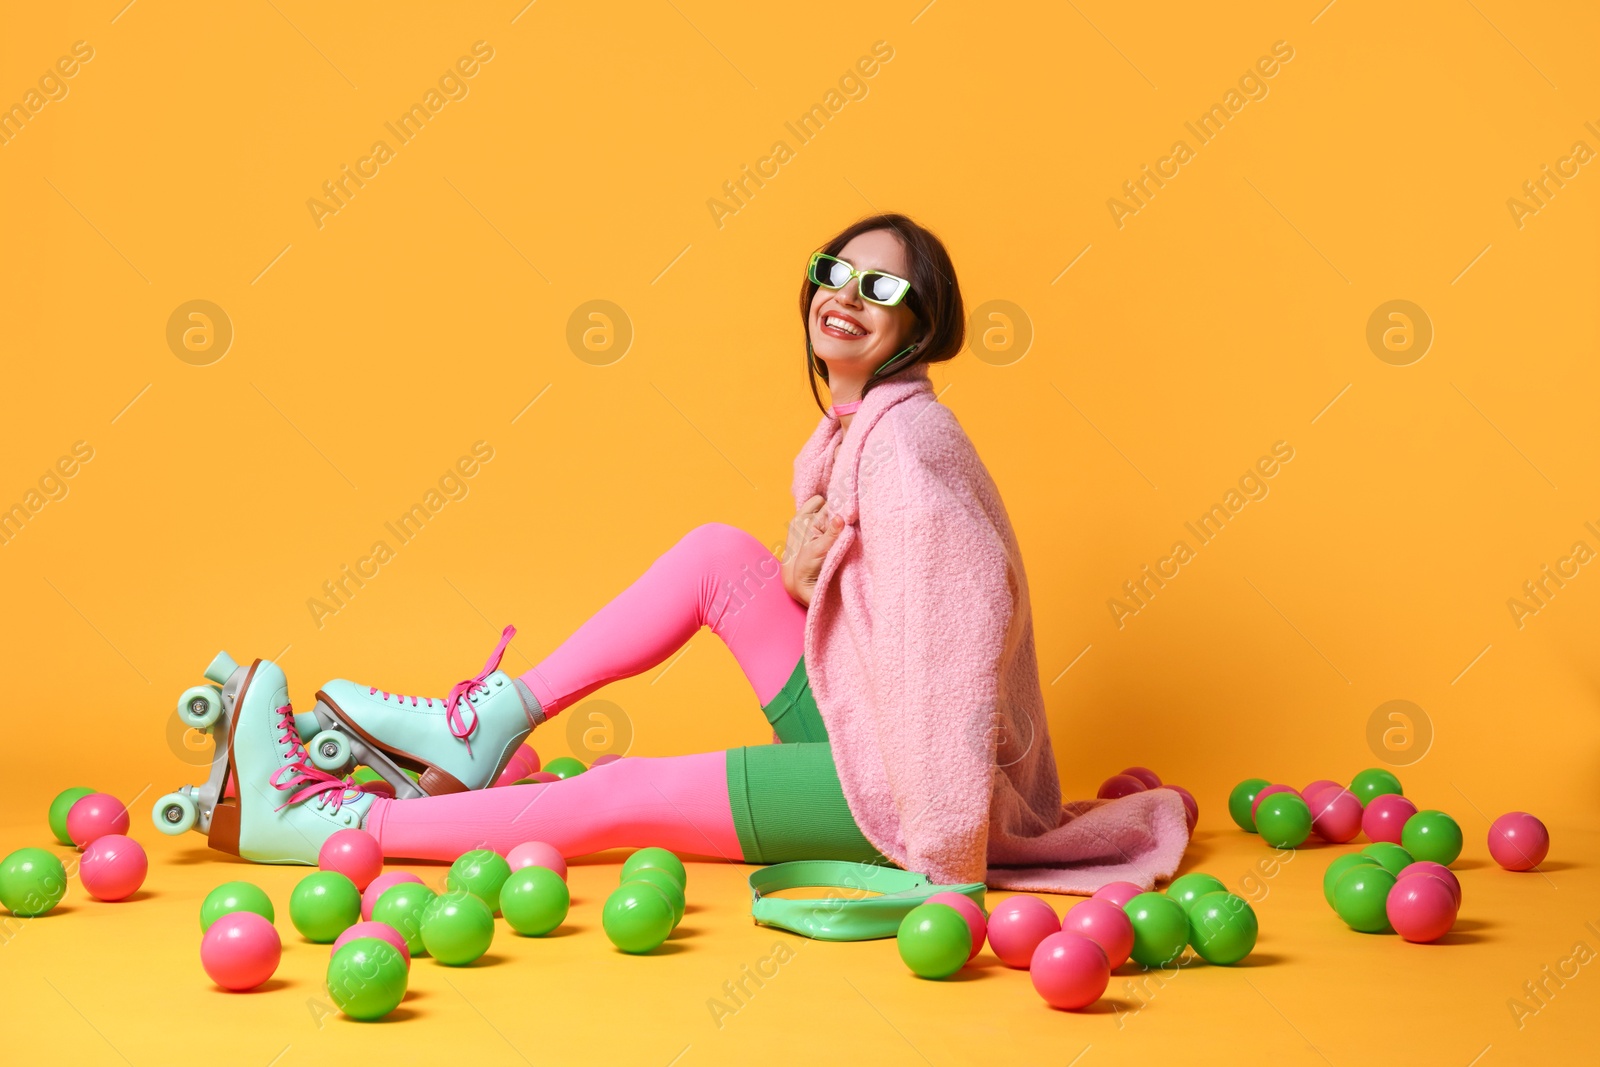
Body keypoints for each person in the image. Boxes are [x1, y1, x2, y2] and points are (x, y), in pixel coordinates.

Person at [171, 212, 1189, 893]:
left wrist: (948, 853)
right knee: (716, 555)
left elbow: (951, 642)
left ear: (920, 325)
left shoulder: (908, 454)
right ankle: (484, 728)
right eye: (836, 271)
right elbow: (871, 609)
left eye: (883, 287)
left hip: (906, 782)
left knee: (620, 792)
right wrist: (799, 581)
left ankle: (321, 821)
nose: (848, 292)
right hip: (863, 714)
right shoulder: (849, 434)